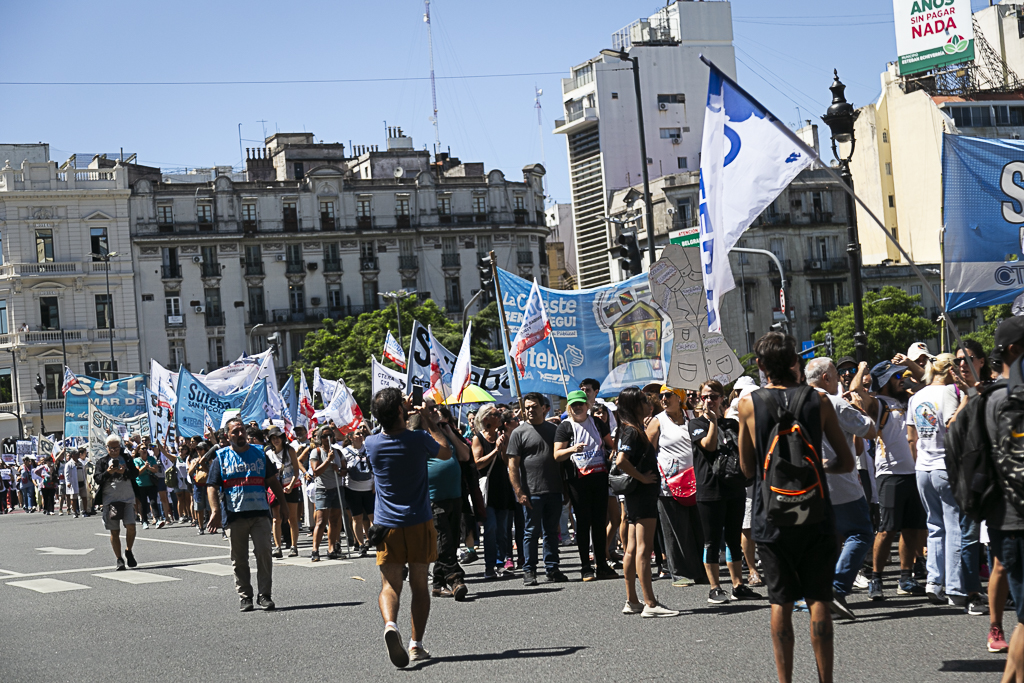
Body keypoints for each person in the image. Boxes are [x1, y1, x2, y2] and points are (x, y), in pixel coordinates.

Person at [737, 332, 855, 683]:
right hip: (816, 512)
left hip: (771, 515)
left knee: (780, 601)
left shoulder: (748, 404)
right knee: (819, 598)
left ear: (760, 365)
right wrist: (817, 468)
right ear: (794, 362)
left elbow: (747, 468)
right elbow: (846, 461)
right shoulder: (819, 401)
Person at [364, 387, 451, 667]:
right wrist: (429, 421)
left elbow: (388, 428)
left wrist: (400, 411)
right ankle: (416, 645)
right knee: (420, 586)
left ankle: (390, 624)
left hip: (386, 525)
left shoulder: (371, 443)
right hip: (419, 521)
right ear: (401, 412)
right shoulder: (419, 439)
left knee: (390, 585)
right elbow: (446, 452)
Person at [907, 353, 984, 612]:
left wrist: (919, 462)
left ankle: (933, 581)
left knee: (934, 526)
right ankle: (954, 587)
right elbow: (952, 424)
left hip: (923, 468)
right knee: (954, 528)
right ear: (951, 370)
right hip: (945, 465)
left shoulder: (917, 396)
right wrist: (966, 400)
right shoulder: (949, 393)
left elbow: (911, 437)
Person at [805, 357, 877, 620]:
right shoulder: (835, 403)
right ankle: (836, 588)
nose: (838, 380)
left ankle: (816, 593)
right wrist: (858, 408)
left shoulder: (795, 403)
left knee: (824, 541)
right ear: (826, 378)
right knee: (861, 533)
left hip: (807, 483)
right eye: (836, 375)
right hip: (839, 482)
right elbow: (870, 430)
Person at [859, 360, 929, 600]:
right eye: (896, 377)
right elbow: (857, 390)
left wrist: (909, 363)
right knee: (887, 530)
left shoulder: (908, 400)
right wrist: (862, 369)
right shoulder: (878, 403)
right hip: (890, 474)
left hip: (914, 473)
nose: (902, 379)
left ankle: (906, 578)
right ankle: (876, 579)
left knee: (911, 529)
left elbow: (927, 380)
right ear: (884, 382)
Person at [689, 380, 760, 603]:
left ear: (722, 398)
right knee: (711, 540)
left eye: (714, 396)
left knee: (733, 538)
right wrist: (712, 421)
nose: (709, 400)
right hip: (710, 489)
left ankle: (738, 585)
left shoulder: (732, 424)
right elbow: (709, 446)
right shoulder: (696, 424)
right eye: (705, 397)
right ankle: (715, 588)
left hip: (734, 487)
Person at [206, 417, 286, 612]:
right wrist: (215, 511)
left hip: (260, 513)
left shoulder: (260, 453)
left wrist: (283, 504)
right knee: (239, 558)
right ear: (227, 436)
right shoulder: (221, 457)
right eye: (235, 431)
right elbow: (211, 486)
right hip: (235, 516)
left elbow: (272, 480)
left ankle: (265, 595)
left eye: (242, 430)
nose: (240, 434)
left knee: (264, 553)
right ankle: (245, 596)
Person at [613, 386, 678, 617]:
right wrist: (641, 477)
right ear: (633, 405)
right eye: (642, 400)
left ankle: (633, 600)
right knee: (643, 548)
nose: (648, 403)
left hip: (636, 494)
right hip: (642, 494)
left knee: (632, 548)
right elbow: (621, 461)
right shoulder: (631, 430)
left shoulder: (629, 428)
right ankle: (650, 602)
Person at [983, 317, 1024, 674]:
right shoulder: (1011, 399)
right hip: (1018, 519)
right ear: (1014, 349)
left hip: (1002, 515)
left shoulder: (990, 396)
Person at [555, 390, 618, 582]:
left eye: (581, 404)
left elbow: (610, 444)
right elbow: (557, 455)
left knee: (599, 522)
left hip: (599, 477)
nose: (578, 407)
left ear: (587, 405)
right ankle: (585, 567)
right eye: (574, 405)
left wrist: (612, 453)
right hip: (578, 481)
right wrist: (572, 449)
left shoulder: (597, 423)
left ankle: (602, 565)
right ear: (569, 407)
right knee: (583, 523)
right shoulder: (565, 427)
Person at [508, 392, 568, 586]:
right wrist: (519, 491)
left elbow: (562, 461)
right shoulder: (519, 433)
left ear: (544, 408)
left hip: (554, 489)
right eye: (527, 408)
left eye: (534, 407)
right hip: (531, 492)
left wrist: (565, 488)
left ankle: (552, 568)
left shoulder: (554, 430)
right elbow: (512, 465)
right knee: (531, 532)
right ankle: (529, 570)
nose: (530, 410)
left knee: (551, 531)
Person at [647, 386, 704, 588]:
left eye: (667, 395)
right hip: (669, 485)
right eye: (661, 396)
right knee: (675, 530)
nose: (663, 399)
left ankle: (700, 571)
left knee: (698, 528)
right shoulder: (657, 421)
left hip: (696, 482)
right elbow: (648, 452)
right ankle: (679, 573)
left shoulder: (692, 417)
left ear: (679, 397)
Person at [422, 401, 470, 600]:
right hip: (434, 498)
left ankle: (438, 583)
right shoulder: (419, 435)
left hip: (455, 495)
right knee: (444, 541)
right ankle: (455, 578)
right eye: (430, 408)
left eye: (436, 408)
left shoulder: (445, 432)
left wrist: (450, 433)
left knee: (451, 541)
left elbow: (465, 455)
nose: (435, 411)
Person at [473, 404, 515, 579]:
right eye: (496, 414)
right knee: (490, 528)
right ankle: (489, 566)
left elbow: (506, 462)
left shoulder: (502, 436)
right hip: (488, 489)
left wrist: (503, 448)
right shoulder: (478, 439)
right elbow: (478, 463)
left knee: (503, 530)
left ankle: (500, 563)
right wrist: (495, 450)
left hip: (502, 486)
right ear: (486, 419)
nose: (499, 417)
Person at [93, 434, 141, 571]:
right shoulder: (102, 462)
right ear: (107, 448)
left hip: (127, 498)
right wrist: (108, 472)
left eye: (116, 448)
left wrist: (124, 471)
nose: (114, 451)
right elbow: (97, 478)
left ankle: (128, 550)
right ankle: (119, 559)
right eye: (111, 448)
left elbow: (135, 474)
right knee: (114, 531)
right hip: (110, 500)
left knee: (131, 526)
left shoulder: (126, 458)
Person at [307, 426, 347, 561]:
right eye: (324, 436)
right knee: (321, 521)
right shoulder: (316, 452)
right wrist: (328, 460)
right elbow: (316, 472)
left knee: (334, 520)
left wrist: (339, 470)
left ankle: (332, 548)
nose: (327, 438)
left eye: (330, 435)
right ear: (320, 438)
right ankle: (315, 550)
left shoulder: (338, 452)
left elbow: (344, 471)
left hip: (337, 488)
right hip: (323, 489)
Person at [266, 427, 301, 558]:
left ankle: (294, 546)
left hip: (291, 486)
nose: (276, 440)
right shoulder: (268, 453)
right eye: (273, 438)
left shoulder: (289, 450)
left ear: (282, 438)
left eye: (278, 437)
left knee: (292, 518)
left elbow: (296, 471)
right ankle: (278, 547)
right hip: (276, 488)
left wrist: (291, 485)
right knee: (276, 518)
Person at [342, 424, 375, 555]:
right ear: (350, 437)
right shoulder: (345, 452)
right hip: (352, 489)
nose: (361, 436)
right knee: (357, 518)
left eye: (362, 434)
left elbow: (375, 467)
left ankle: (374, 540)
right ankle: (361, 544)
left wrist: (375, 484)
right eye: (357, 434)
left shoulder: (369, 448)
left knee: (373, 517)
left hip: (369, 488)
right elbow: (343, 469)